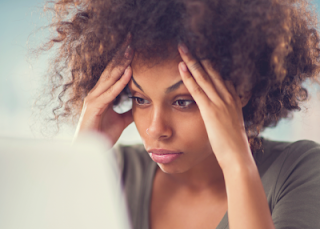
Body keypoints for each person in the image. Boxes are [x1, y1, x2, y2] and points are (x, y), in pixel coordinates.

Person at [40, 0, 320, 228]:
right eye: (140, 99)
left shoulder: (299, 170)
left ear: (241, 91)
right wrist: (80, 156)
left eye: (183, 102)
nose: (155, 129)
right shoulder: (116, 172)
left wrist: (236, 162)